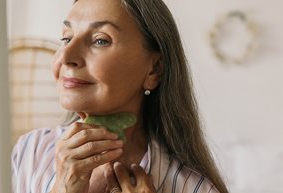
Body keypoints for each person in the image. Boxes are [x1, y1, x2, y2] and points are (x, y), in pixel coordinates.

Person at [11, 0, 229, 193]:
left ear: (154, 70)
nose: (66, 56)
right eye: (66, 38)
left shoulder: (196, 188)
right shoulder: (29, 152)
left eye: (100, 40)